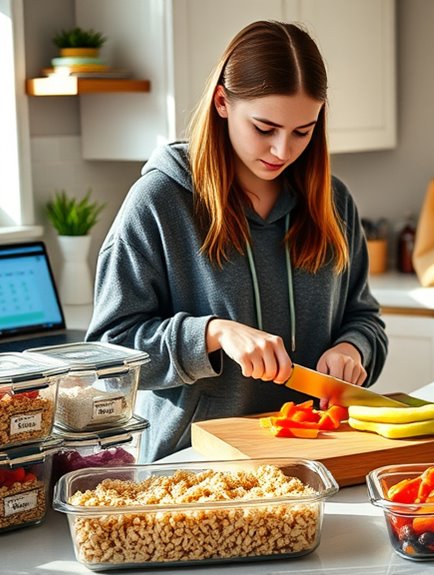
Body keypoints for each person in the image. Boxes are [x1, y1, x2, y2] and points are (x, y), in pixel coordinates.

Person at [87, 20, 388, 463]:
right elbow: (110, 358)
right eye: (265, 128)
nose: (283, 151)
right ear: (222, 103)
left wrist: (353, 349)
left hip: (314, 456)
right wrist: (211, 333)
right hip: (193, 465)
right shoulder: (159, 200)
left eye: (302, 131)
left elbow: (365, 320)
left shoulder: (332, 202)